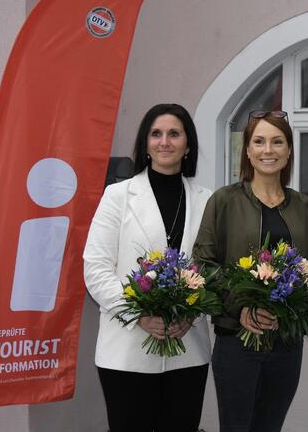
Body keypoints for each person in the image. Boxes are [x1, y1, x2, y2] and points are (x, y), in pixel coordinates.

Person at [193, 110, 308, 432]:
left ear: (289, 150)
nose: (268, 150)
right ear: (248, 150)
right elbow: (202, 263)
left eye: (277, 142)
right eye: (259, 141)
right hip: (236, 340)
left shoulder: (304, 206)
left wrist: (294, 304)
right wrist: (241, 305)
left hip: (287, 342)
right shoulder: (224, 201)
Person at [83, 103, 212, 432]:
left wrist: (192, 312)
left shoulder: (206, 200)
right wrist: (139, 314)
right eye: (156, 134)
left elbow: (213, 269)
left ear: (187, 145)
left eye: (174, 134)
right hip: (126, 352)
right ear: (145, 143)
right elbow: (95, 269)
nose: (164, 142)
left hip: (188, 350)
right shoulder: (117, 196)